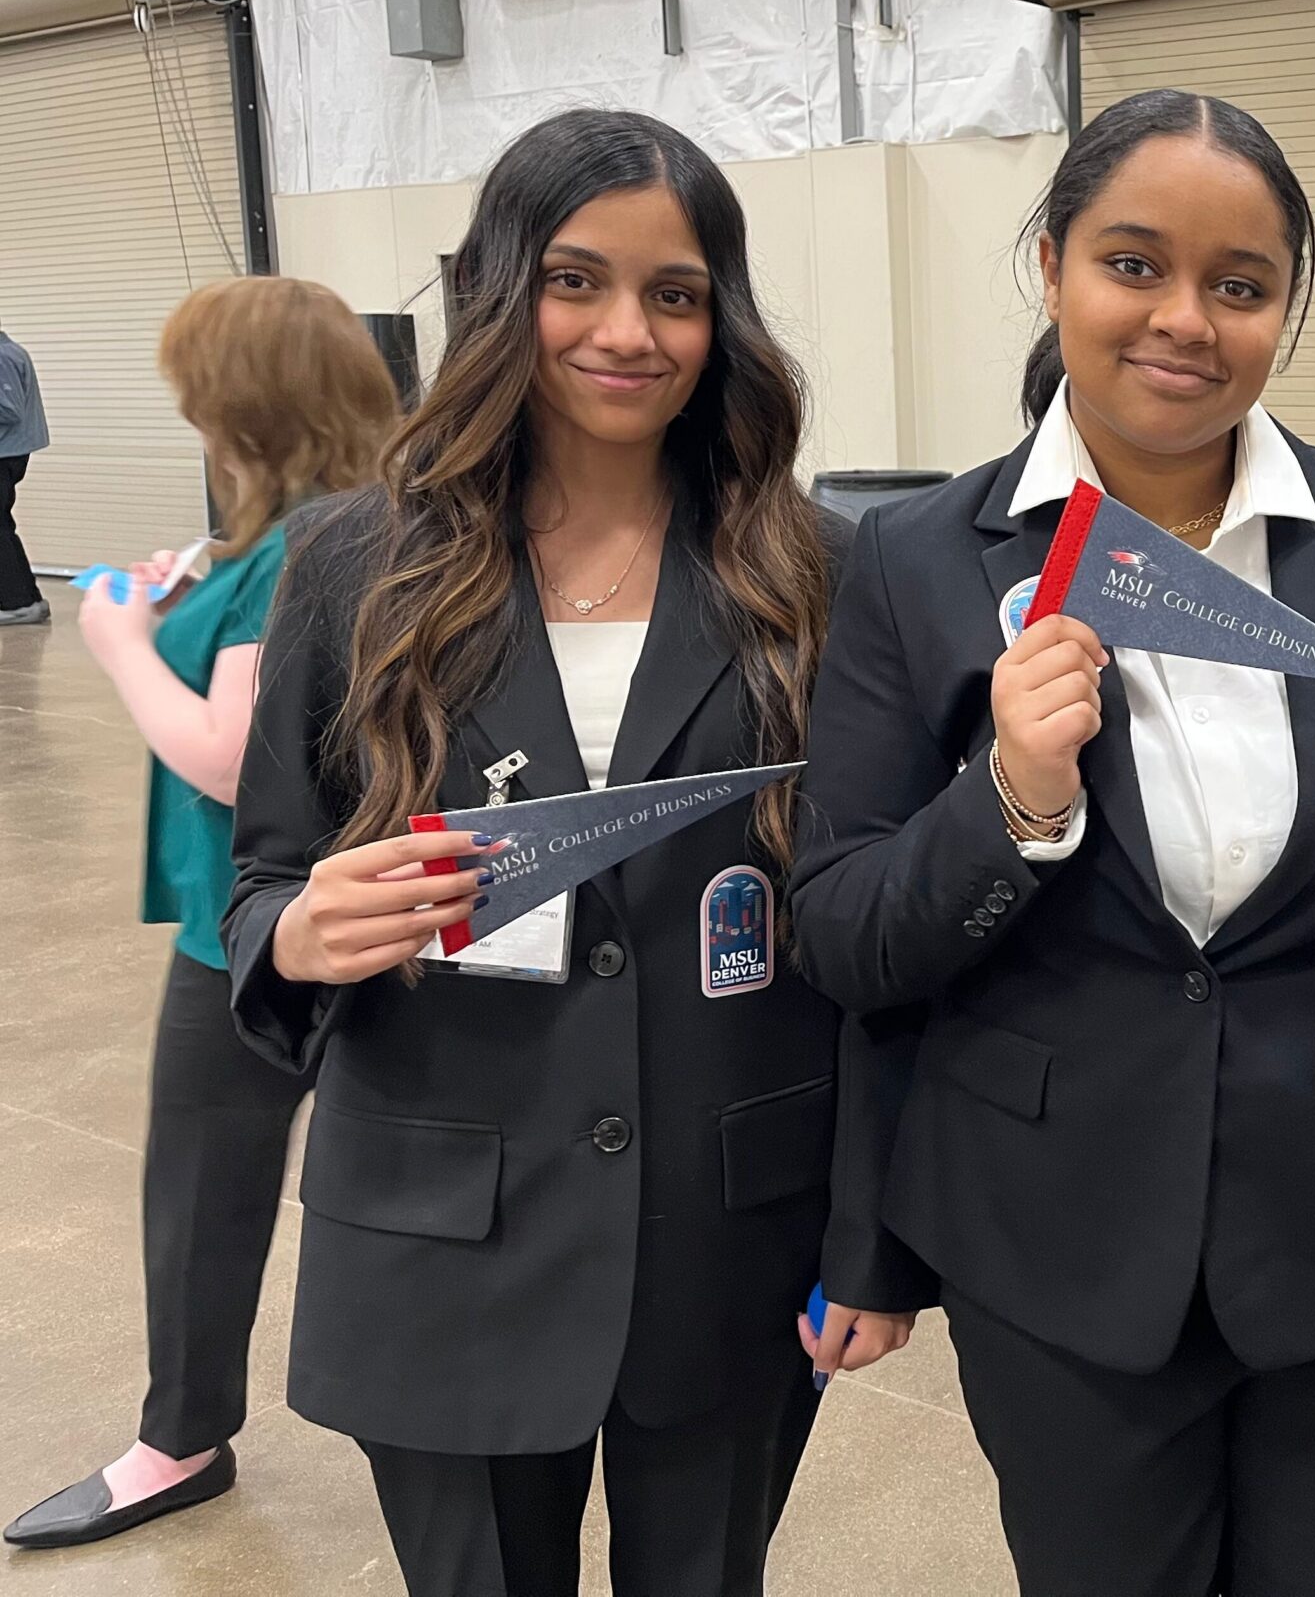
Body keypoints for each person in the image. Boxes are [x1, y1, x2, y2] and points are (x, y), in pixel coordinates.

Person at [790, 89, 1315, 1597]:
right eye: (1134, 265)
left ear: (1283, 311)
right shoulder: (924, 563)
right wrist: (1010, 802)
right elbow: (845, 927)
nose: (1185, 320)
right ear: (1057, 263)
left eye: (1240, 285)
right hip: (1053, 1244)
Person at [219, 110, 928, 1597]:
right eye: (574, 280)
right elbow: (262, 886)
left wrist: (872, 1238)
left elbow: (873, 941)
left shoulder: (818, 576)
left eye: (675, 293)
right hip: (442, 1233)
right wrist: (300, 932)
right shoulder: (356, 566)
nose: (628, 332)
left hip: (732, 1230)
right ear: (497, 295)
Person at [4, 279, 398, 1550]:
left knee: (204, 1189)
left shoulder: (305, 548)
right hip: (283, 913)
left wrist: (116, 639)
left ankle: (178, 1442)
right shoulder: (317, 533)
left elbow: (237, 759)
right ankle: (184, 1432)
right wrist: (186, 597)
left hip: (256, 927)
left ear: (247, 407)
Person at [0, 321, 49, 625]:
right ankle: (27, 599)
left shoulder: (3, 356)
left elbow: (9, 409)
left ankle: (19, 603)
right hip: (9, 453)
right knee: (3, 525)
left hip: (5, 454)